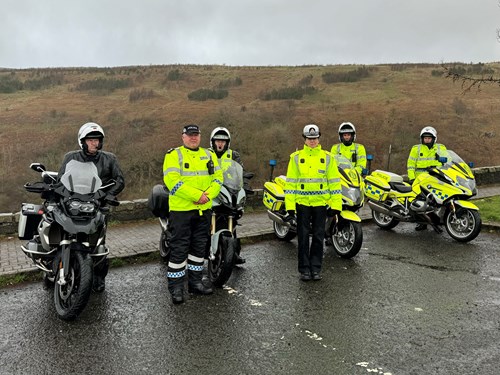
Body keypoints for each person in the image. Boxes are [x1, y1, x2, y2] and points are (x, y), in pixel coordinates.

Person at [59, 122, 125, 292]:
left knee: (98, 244)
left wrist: (108, 195)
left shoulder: (109, 158)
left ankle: (98, 277)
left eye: (97, 140)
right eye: (90, 140)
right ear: (82, 141)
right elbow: (61, 180)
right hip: (74, 205)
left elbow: (119, 180)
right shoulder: (71, 157)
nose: (94, 143)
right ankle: (64, 270)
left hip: (98, 205)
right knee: (66, 238)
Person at [163, 124, 223, 304]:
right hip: (181, 211)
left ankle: (195, 283)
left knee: (199, 248)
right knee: (179, 250)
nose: (193, 138)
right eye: (189, 135)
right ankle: (176, 287)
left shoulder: (209, 154)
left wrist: (207, 196)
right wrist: (197, 195)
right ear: (183, 137)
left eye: (196, 135)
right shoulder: (174, 155)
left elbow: (218, 178)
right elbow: (172, 181)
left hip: (203, 210)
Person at [284, 124, 342, 281]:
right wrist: (290, 208)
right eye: (309, 138)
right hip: (302, 204)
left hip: (320, 205)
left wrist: (336, 206)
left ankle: (315, 269)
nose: (312, 141)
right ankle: (304, 270)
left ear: (319, 138)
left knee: (318, 237)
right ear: (304, 139)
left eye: (315, 138)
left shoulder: (328, 158)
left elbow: (335, 184)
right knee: (302, 238)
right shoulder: (295, 158)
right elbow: (290, 185)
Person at [209, 126, 250, 265]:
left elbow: (241, 172)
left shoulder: (234, 155)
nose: (220, 143)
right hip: (211, 192)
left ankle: (234, 253)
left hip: (228, 191)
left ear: (227, 142)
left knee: (231, 222)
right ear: (212, 141)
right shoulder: (207, 154)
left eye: (223, 141)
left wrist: (245, 185)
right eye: (217, 141)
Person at [407, 126, 448, 231]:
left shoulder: (440, 148)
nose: (427, 140)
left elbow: (449, 160)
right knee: (419, 201)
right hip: (419, 179)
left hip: (435, 177)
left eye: (429, 138)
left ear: (434, 139)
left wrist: (442, 159)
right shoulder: (416, 148)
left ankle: (437, 221)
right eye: (425, 138)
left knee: (437, 200)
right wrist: (411, 178)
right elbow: (411, 164)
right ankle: (421, 222)